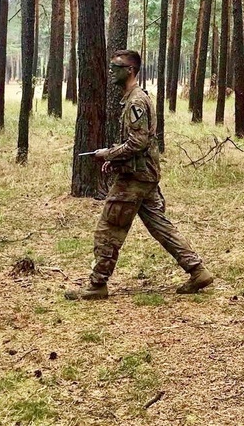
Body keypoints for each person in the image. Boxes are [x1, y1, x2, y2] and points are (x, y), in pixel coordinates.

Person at [65, 50, 214, 300]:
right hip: (142, 175)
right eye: (111, 66)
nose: (112, 71)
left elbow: (138, 142)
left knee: (109, 229)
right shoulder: (133, 98)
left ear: (130, 70)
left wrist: (109, 154)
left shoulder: (136, 101)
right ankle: (198, 271)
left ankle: (97, 284)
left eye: (117, 67)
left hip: (135, 179)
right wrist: (115, 160)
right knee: (161, 227)